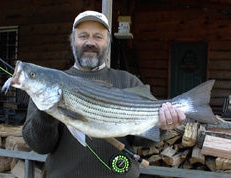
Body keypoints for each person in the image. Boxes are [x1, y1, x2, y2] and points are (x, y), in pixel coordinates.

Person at [22, 10, 186, 178]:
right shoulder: (48, 83)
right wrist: (48, 112)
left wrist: (161, 126)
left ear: (107, 42)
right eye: (83, 36)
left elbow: (141, 140)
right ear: (72, 40)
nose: (90, 42)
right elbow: (40, 147)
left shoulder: (128, 81)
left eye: (98, 37)